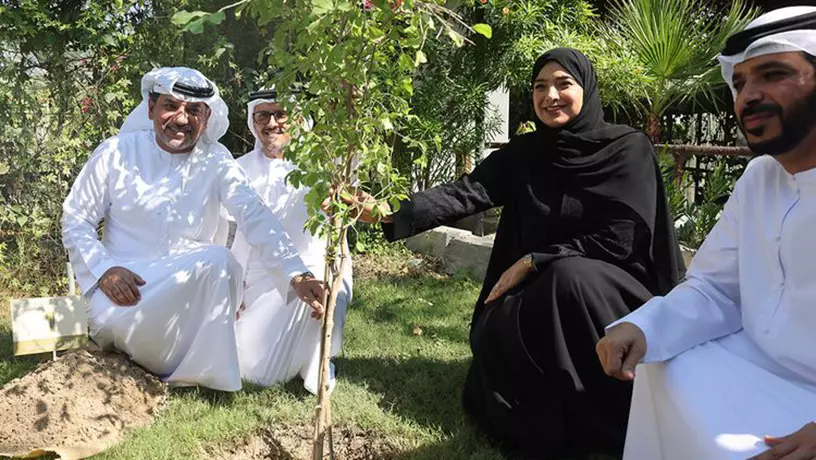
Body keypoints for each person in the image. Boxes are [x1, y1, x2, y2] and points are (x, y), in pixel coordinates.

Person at [344, 48, 683, 458]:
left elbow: (621, 239)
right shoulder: (527, 153)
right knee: (499, 323)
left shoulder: (628, 149)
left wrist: (533, 261)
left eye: (563, 84)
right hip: (547, 285)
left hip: (613, 291)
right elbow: (465, 193)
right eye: (540, 86)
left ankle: (614, 415)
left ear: (587, 89)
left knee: (570, 278)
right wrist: (386, 212)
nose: (550, 96)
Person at [597, 7, 816, 460]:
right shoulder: (759, 178)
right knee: (662, 359)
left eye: (773, 74)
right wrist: (644, 325)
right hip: (752, 365)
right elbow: (716, 288)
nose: (748, 97)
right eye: (739, 84)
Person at [62, 67, 325, 392]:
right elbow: (76, 218)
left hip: (188, 301)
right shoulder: (115, 153)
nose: (181, 119)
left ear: (207, 115)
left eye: (193, 110)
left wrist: (296, 274)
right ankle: (169, 367)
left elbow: (255, 215)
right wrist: (104, 270)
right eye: (170, 106)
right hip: (124, 298)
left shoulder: (216, 160)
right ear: (150, 109)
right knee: (216, 262)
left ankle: (178, 371)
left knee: (218, 262)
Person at [228, 88, 352, 394]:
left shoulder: (325, 165)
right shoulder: (237, 169)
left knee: (313, 293)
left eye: (280, 114)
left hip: (313, 268)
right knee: (251, 370)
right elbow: (232, 237)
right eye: (263, 115)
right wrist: (232, 293)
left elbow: (354, 161)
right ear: (252, 121)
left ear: (297, 119)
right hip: (254, 280)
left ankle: (313, 362)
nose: (272, 123)